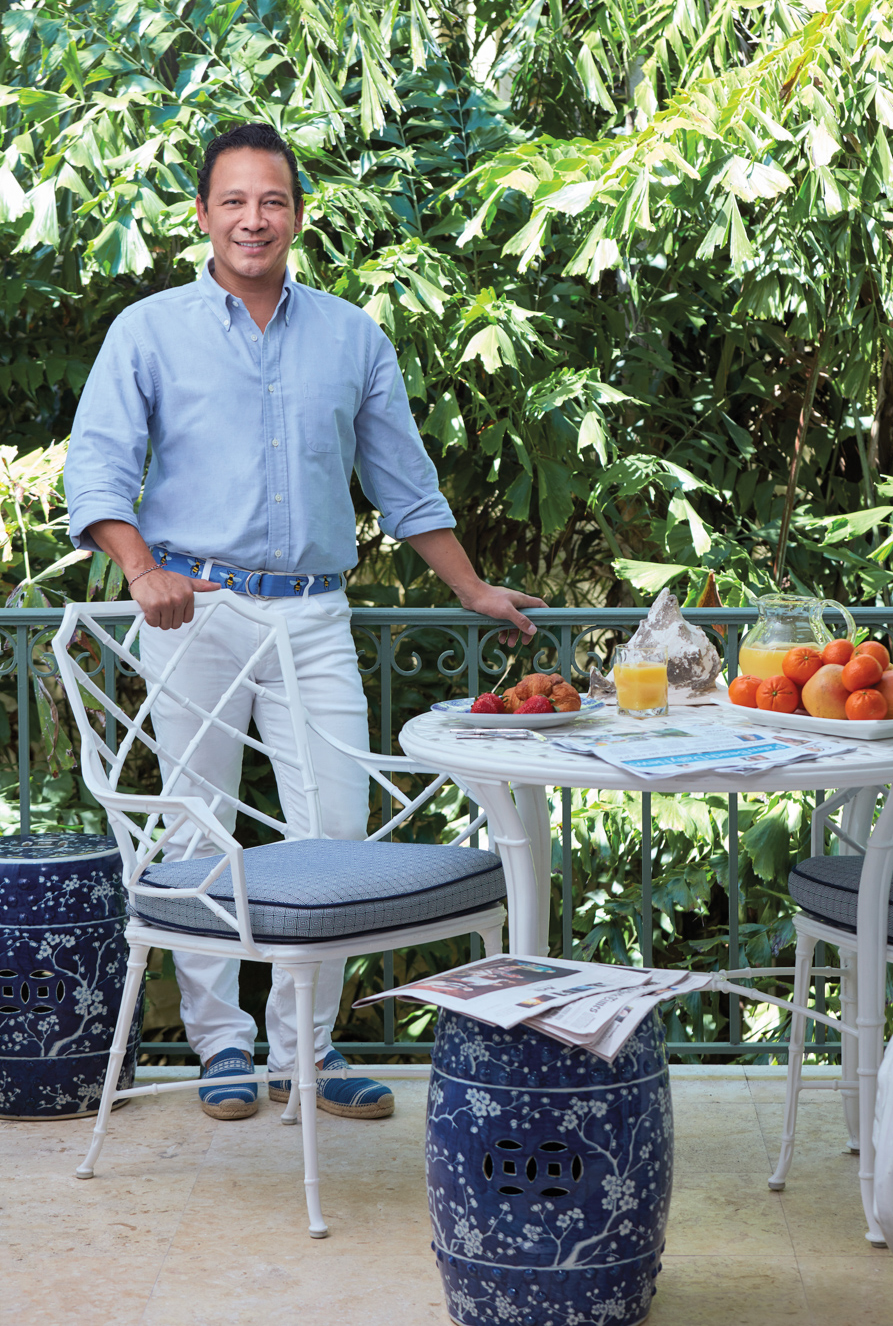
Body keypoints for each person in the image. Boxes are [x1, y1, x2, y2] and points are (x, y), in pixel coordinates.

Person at [64, 121, 545, 1123]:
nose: (253, 218)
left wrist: (473, 591)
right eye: (233, 201)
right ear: (202, 215)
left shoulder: (351, 336)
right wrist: (141, 567)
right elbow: (98, 470)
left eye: (271, 201)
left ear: (296, 216)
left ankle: (307, 1053)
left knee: (336, 829)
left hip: (315, 613)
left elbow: (406, 487)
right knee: (199, 829)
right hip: (191, 608)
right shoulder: (147, 331)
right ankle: (222, 1048)